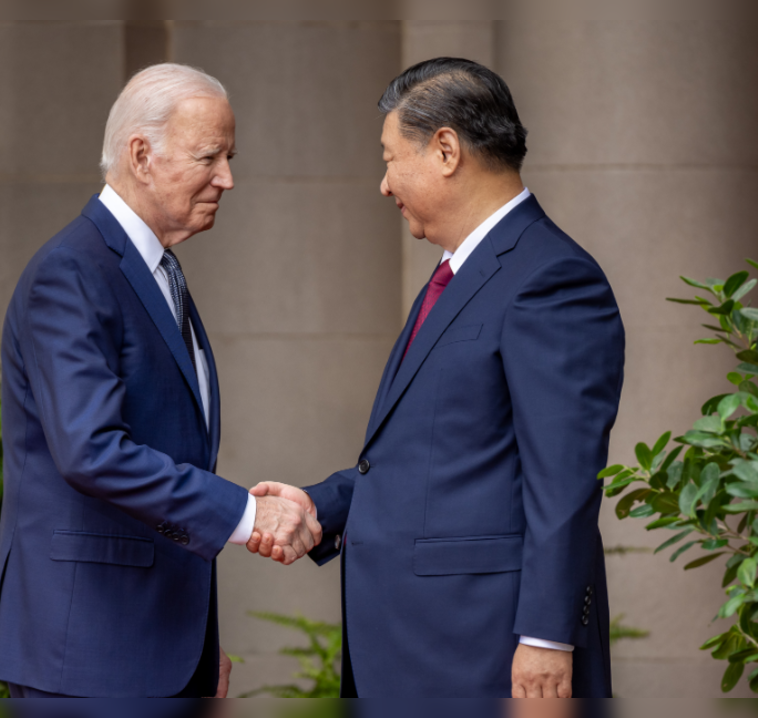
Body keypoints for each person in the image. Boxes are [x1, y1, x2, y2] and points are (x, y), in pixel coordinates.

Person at [250, 57, 624, 698]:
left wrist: (546, 636)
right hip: (415, 648)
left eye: (391, 158)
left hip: (484, 651)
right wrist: (323, 504)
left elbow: (562, 480)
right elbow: (438, 454)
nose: (384, 183)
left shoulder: (551, 279)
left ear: (446, 149)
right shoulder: (459, 275)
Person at [0, 63, 322, 698]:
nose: (228, 177)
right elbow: (92, 452)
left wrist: (195, 643)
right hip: (88, 654)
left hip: (157, 647)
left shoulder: (155, 271)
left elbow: (168, 460)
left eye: (229, 156)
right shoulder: (73, 272)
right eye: (209, 156)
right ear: (141, 156)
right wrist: (248, 515)